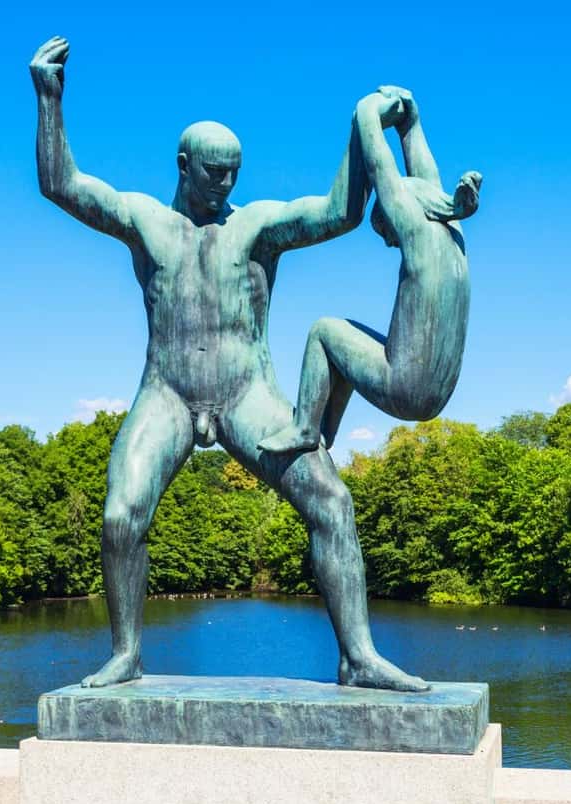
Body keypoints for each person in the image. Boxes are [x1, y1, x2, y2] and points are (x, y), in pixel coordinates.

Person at [30, 36, 427, 691]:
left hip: (248, 394)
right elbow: (62, 185)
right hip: (167, 393)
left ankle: (358, 657)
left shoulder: (257, 226)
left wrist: (364, 128)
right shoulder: (145, 220)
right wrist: (50, 98)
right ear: (184, 166)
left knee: (332, 503)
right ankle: (126, 654)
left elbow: (340, 212)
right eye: (215, 172)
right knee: (120, 516)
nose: (226, 183)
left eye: (234, 172)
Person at [258, 87, 481, 454]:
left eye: (386, 230)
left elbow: (381, 169)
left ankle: (304, 428)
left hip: (406, 388)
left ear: (400, 216)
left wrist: (367, 112)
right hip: (438, 393)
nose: (391, 243)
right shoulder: (453, 232)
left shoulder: (417, 233)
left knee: (323, 332)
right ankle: (325, 432)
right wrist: (411, 124)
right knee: (348, 339)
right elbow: (426, 180)